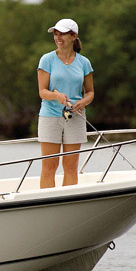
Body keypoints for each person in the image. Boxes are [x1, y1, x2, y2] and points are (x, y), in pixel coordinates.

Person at [36, 18, 94, 189]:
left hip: (75, 118)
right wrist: (57, 96)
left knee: (70, 167)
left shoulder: (84, 62)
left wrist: (82, 102)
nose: (58, 37)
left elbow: (90, 92)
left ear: (73, 36)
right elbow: (43, 92)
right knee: (49, 167)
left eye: (62, 34)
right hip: (50, 117)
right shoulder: (47, 59)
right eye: (55, 34)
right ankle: (46, 205)